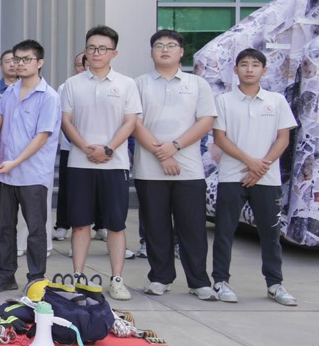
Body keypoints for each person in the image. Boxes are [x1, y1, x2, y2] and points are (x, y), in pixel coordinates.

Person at [132, 30, 217, 299]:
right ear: (151, 52)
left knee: (192, 227)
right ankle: (160, 277)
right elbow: (134, 123)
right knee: (155, 227)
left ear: (181, 51)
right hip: (149, 168)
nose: (165, 49)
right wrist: (163, 154)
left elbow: (206, 120)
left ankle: (199, 281)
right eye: (159, 45)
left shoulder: (197, 84)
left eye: (171, 45)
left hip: (189, 169)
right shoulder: (139, 84)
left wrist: (176, 146)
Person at [211, 49, 299, 306]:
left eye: (255, 65)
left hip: (267, 179)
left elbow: (283, 138)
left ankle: (275, 284)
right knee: (224, 232)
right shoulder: (224, 101)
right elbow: (220, 138)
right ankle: (220, 281)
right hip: (232, 176)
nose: (249, 69)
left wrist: (262, 167)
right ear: (235, 70)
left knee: (270, 235)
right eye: (244, 64)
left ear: (264, 70)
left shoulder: (276, 100)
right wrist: (251, 163)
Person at [60, 25, 141, 300]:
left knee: (116, 224)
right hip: (80, 163)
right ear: (85, 51)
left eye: (103, 48)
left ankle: (116, 279)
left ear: (113, 53)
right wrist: (86, 148)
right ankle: (77, 276)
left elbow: (130, 122)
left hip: (115, 164)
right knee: (80, 223)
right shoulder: (72, 84)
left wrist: (108, 149)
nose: (96, 53)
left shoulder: (126, 84)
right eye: (92, 48)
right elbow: (66, 121)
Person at [0, 40, 61, 292]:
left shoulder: (48, 96)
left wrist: (15, 162)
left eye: (26, 59)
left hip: (32, 174)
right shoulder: (9, 92)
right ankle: (5, 275)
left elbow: (42, 136)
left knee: (35, 230)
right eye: (16, 59)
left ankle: (36, 279)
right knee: (4, 228)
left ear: (39, 63)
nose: (20, 64)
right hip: (4, 173)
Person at [52, 51, 88, 241]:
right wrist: (78, 142)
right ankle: (63, 224)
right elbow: (62, 119)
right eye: (79, 65)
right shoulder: (66, 87)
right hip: (70, 147)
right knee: (67, 189)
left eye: (85, 64)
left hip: (100, 148)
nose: (82, 68)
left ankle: (101, 225)